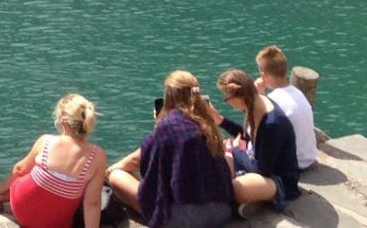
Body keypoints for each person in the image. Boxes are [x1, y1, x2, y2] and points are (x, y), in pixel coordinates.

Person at [107, 71, 233, 228]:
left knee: (116, 176)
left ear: (169, 95)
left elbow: (139, 163)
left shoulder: (168, 126)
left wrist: (109, 171)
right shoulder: (208, 124)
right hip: (221, 213)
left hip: (183, 220)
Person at [0, 93, 106, 228]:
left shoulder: (47, 141)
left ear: (62, 121)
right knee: (77, 189)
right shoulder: (97, 156)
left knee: (33, 173)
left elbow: (19, 170)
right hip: (56, 223)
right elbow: (93, 203)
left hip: (23, 210)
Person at [216, 67, 300, 213]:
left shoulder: (271, 124)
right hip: (256, 160)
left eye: (227, 98)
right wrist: (221, 121)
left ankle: (261, 200)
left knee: (236, 188)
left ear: (239, 97)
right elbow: (245, 135)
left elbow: (262, 169)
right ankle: (254, 200)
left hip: (278, 180)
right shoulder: (253, 103)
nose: (228, 102)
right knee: (218, 160)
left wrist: (234, 149)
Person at [256, 48, 318, 171]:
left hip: (292, 165)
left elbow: (257, 133)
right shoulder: (298, 93)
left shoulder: (272, 101)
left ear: (263, 75)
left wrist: (257, 96)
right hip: (309, 158)